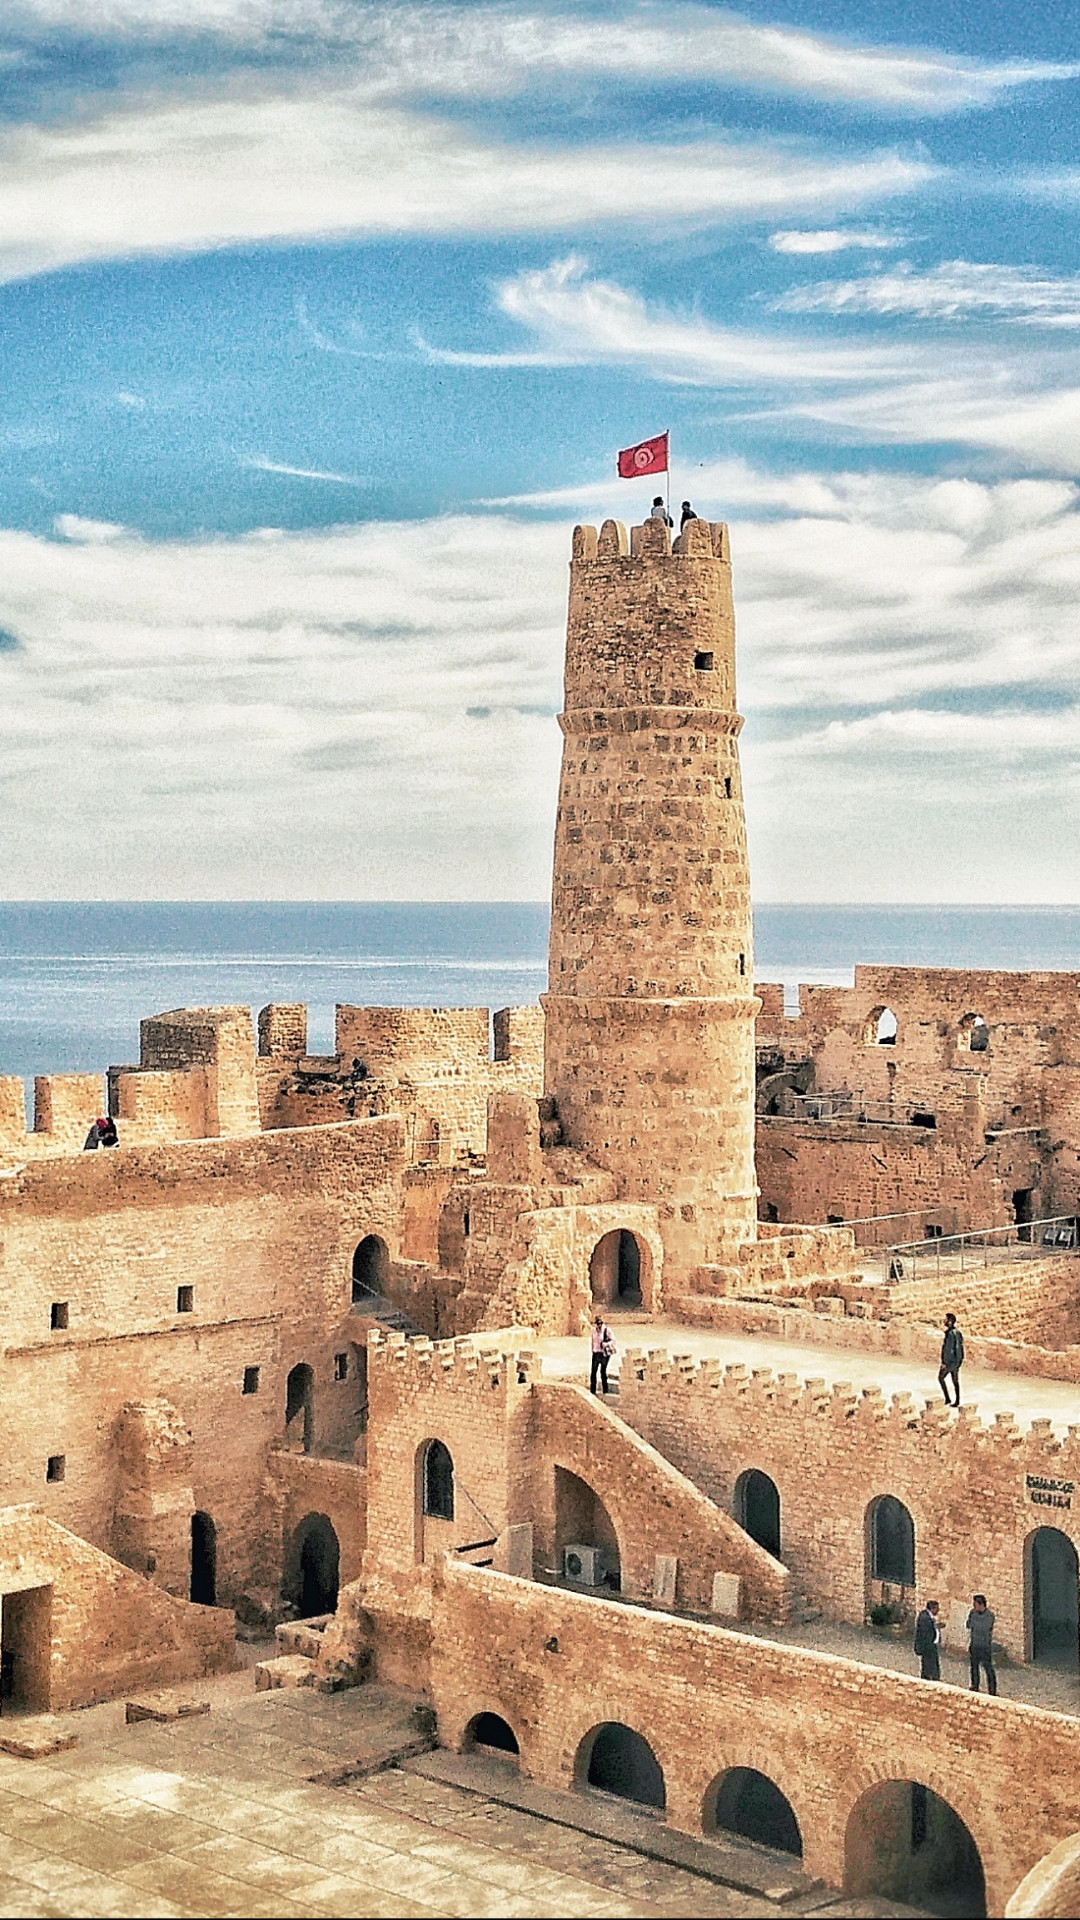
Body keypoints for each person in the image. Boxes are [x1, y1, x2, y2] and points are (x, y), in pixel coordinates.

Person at [967, 1593, 997, 1694]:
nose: (974, 1607)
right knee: (974, 1667)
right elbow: (968, 1624)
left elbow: (985, 1628)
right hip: (974, 1644)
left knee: (988, 1668)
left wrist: (975, 1625)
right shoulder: (972, 1613)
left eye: (975, 1604)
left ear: (981, 1605)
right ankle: (975, 1685)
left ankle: (992, 1690)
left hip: (984, 1646)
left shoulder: (989, 1615)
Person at [939, 1312, 964, 1406]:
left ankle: (947, 1398)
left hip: (950, 1362)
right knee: (955, 1381)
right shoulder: (957, 1332)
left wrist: (944, 1362)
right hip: (956, 1361)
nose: (944, 1321)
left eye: (945, 1319)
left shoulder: (950, 1334)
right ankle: (957, 1400)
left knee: (941, 1377)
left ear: (949, 1321)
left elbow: (948, 1349)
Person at [914, 1598, 941, 1680]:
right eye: (937, 1608)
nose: (938, 1611)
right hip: (927, 1645)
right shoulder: (925, 1618)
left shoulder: (927, 1616)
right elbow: (926, 1632)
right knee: (928, 1662)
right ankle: (929, 1676)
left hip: (930, 1644)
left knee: (930, 1662)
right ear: (933, 1608)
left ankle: (930, 1676)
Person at [590, 1314, 615, 1395]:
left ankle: (605, 1389)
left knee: (602, 1371)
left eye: (600, 1323)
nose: (599, 1325)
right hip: (596, 1352)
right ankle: (592, 1390)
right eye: (597, 1323)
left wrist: (606, 1344)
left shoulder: (607, 1330)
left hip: (604, 1353)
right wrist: (592, 1350)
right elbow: (592, 1341)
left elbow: (613, 1340)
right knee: (593, 1371)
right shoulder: (594, 1331)